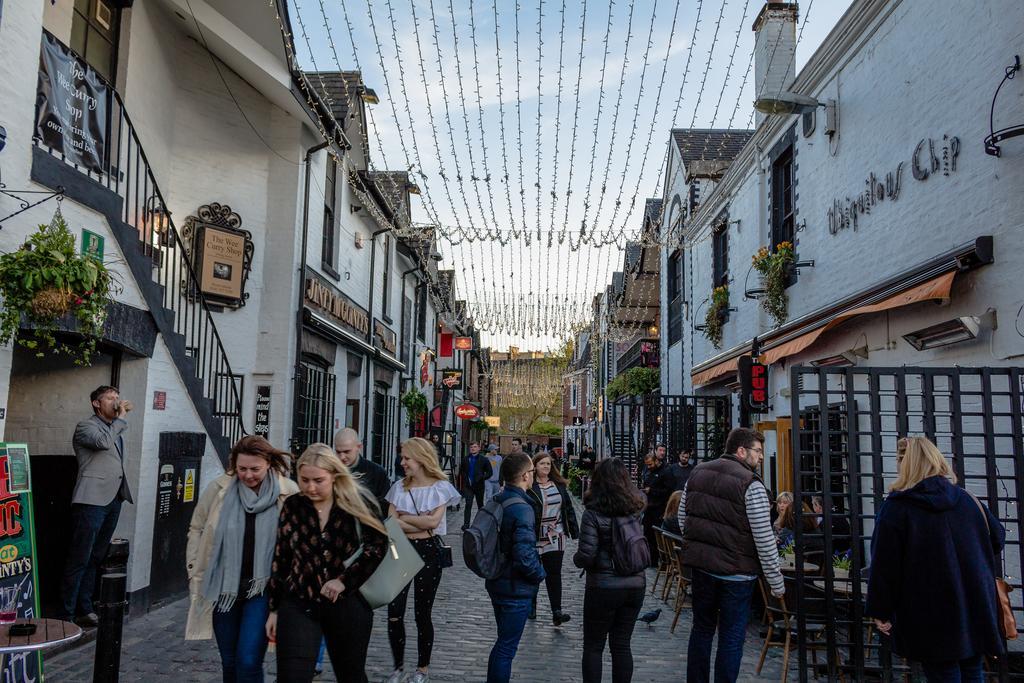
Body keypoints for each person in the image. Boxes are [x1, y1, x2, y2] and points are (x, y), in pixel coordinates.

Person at [866, 437, 1006, 682]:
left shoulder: (897, 509)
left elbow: (885, 566)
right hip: (974, 599)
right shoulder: (968, 501)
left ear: (905, 465)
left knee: (942, 672)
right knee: (973, 669)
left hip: (930, 607)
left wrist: (880, 609)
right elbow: (997, 538)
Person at [266, 444, 387, 682]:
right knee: (291, 676)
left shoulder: (356, 503)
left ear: (334, 476)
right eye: (304, 480)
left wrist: (344, 581)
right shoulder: (293, 506)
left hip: (346, 603)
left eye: (318, 480)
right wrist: (274, 608)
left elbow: (377, 547)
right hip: (300, 600)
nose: (310, 487)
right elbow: (281, 558)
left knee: (350, 674)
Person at [185, 436, 298, 682]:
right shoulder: (219, 490)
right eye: (242, 468)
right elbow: (197, 526)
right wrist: (195, 567)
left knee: (248, 661)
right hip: (224, 590)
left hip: (263, 591)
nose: (248, 475)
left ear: (269, 463)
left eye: (255, 469)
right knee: (230, 662)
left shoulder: (288, 494)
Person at [678, 427, 784, 683]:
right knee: (731, 637)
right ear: (741, 450)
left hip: (703, 569)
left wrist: (703, 545)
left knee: (701, 630)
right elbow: (764, 538)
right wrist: (776, 582)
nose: (760, 457)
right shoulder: (751, 484)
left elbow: (683, 517)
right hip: (736, 575)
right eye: (757, 451)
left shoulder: (698, 473)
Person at [384, 438, 462, 683]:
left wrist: (405, 518)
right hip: (400, 549)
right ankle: (397, 668)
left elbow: (433, 523)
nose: (402, 462)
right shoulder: (398, 487)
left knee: (422, 613)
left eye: (407, 458)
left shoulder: (439, 487)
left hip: (428, 551)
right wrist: (416, 521)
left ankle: (422, 668)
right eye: (402, 457)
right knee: (394, 611)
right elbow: (390, 522)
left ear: (420, 458)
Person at [61, 385, 135, 627]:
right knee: (79, 557)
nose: (116, 402)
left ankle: (85, 608)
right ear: (96, 403)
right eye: (111, 398)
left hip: (113, 499)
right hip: (90, 500)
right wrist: (121, 417)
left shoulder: (115, 431)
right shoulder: (86, 427)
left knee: (96, 556)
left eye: (117, 397)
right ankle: (66, 614)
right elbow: (103, 443)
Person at [573, 457, 647, 683]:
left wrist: (577, 560)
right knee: (622, 645)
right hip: (634, 583)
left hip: (603, 586)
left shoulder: (593, 513)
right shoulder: (636, 509)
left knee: (594, 646)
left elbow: (587, 554)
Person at [486, 453, 545, 683]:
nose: (533, 475)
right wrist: (539, 575)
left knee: (502, 643)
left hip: (497, 580)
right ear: (524, 476)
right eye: (531, 471)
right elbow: (524, 553)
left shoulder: (499, 499)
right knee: (506, 649)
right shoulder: (522, 507)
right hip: (515, 587)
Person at [528, 450, 579, 625]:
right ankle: (531, 606)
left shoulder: (558, 485)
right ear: (534, 466)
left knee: (554, 573)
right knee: (534, 572)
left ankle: (556, 611)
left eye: (548, 464)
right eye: (542, 463)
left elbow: (568, 508)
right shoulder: (529, 487)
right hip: (535, 534)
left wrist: (573, 530)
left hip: (556, 534)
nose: (546, 467)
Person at [640, 451, 683, 567]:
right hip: (649, 508)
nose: (648, 467)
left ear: (656, 461)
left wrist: (652, 491)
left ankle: (662, 561)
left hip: (659, 509)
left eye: (650, 464)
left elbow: (669, 491)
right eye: (647, 465)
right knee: (648, 535)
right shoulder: (650, 472)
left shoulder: (666, 472)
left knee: (657, 537)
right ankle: (650, 560)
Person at [334, 428, 390, 515]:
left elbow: (384, 508)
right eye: (338, 452)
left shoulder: (377, 472)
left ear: (359, 447)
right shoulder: (329, 471)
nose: (342, 457)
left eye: (346, 451)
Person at [459, 441, 493, 530]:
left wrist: (482, 477)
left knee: (480, 505)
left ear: (479, 448)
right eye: (471, 447)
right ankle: (466, 524)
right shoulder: (465, 459)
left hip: (479, 486)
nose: (473, 448)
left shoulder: (484, 459)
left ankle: (480, 524)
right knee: (468, 504)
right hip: (468, 486)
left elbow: (490, 472)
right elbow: (461, 470)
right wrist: (465, 478)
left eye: (475, 447)